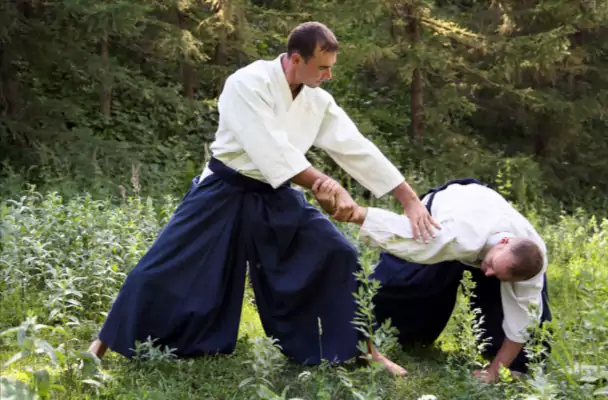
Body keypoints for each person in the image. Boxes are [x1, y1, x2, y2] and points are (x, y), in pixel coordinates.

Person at [87, 21, 438, 376]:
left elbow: (356, 147)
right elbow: (270, 150)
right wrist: (325, 183)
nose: (329, 75)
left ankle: (363, 350)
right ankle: (101, 344)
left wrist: (408, 198)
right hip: (223, 189)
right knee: (162, 266)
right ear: (295, 59)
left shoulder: (317, 101)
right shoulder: (247, 83)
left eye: (331, 67)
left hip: (276, 195)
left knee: (339, 253)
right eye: (323, 67)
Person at [311, 177, 553, 382]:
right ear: (503, 242)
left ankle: (515, 366)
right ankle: (358, 341)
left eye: (495, 273)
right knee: (407, 283)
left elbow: (521, 321)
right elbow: (406, 237)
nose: (487, 273)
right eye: (489, 265)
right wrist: (355, 213)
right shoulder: (458, 234)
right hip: (444, 212)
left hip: (488, 226)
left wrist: (495, 372)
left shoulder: (530, 262)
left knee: (528, 325)